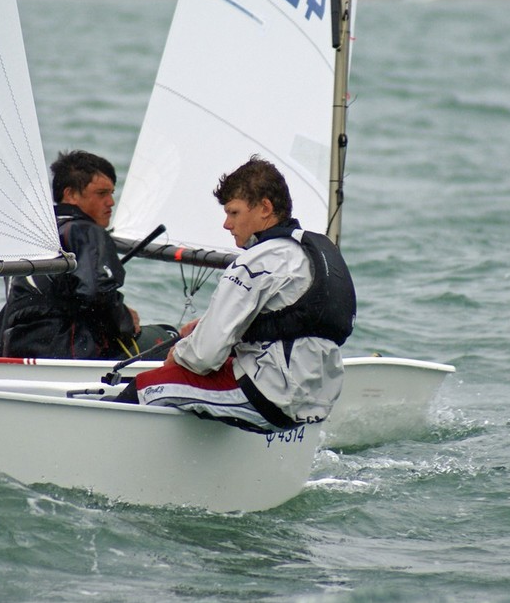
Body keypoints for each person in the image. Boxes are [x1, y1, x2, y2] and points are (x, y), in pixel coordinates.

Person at [111, 156, 356, 434]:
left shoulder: (255, 261)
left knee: (145, 386)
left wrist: (178, 353)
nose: (226, 224)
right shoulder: (309, 254)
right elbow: (283, 319)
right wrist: (205, 327)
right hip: (316, 401)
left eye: (234, 213)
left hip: (267, 395)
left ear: (265, 208)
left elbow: (203, 356)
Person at [0, 150, 170, 359]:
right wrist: (126, 319)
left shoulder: (37, 232)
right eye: (101, 194)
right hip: (65, 352)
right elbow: (97, 295)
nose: (111, 202)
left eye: (112, 193)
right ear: (71, 194)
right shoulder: (86, 231)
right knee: (170, 336)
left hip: (9, 346)